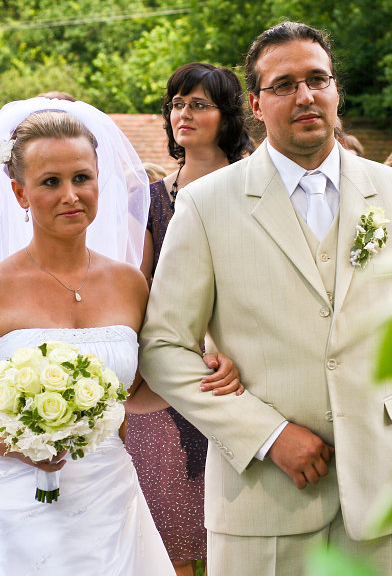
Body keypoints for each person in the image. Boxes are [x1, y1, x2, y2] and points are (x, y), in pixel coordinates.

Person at [139, 22, 392, 576]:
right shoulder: (205, 204)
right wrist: (266, 435)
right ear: (255, 103)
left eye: (318, 79)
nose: (305, 96)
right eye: (284, 85)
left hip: (376, 497)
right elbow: (162, 347)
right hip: (261, 497)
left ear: (336, 90)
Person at [0, 99, 241, 574]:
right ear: (20, 192)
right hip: (10, 505)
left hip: (108, 498)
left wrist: (203, 371)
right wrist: (17, 444)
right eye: (50, 182)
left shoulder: (130, 284)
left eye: (81, 178)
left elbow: (138, 391)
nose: (71, 195)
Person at [128, 62, 252, 576]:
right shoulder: (151, 199)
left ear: (227, 116)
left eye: (199, 104)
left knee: (241, 544)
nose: (183, 113)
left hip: (243, 373)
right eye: (177, 104)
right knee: (170, 543)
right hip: (168, 381)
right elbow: (140, 291)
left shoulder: (256, 186)